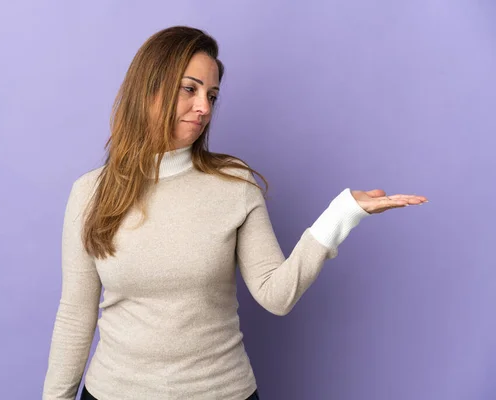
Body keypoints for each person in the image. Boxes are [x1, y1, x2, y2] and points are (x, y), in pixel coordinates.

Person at [42, 25, 428, 400]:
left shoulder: (233, 182)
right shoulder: (91, 193)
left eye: (212, 95)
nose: (203, 107)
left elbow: (277, 295)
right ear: (150, 90)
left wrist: (340, 215)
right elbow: (76, 317)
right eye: (189, 89)